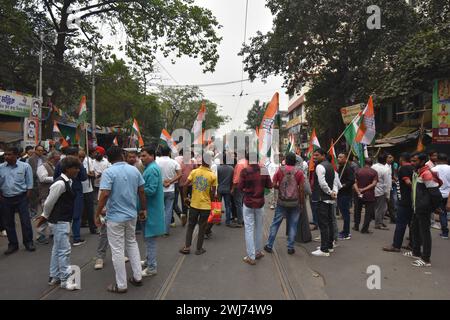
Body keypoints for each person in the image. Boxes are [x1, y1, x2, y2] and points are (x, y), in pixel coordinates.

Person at [95, 146, 146, 293]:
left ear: (109, 159)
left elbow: (104, 195)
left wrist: (97, 214)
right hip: (131, 215)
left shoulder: (108, 172)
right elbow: (141, 191)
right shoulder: (134, 170)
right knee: (132, 243)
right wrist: (143, 209)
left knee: (117, 250)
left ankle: (121, 285)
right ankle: (137, 277)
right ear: (123, 155)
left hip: (115, 217)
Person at [35, 156, 81, 291]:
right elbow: (49, 202)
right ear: (67, 169)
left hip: (62, 219)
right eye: (75, 168)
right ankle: (65, 280)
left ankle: (54, 275)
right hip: (59, 220)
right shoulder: (60, 184)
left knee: (57, 249)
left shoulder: (67, 181)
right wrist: (44, 216)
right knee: (64, 250)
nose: (77, 170)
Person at [406, 152, 443, 267]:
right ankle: (416, 252)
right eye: (411, 160)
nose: (412, 163)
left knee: (424, 233)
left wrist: (431, 208)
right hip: (417, 208)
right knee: (415, 229)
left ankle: (426, 259)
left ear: (422, 161)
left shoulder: (426, 174)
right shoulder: (417, 172)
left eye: (415, 161)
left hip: (423, 209)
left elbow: (436, 195)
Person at [264, 152, 304, 255]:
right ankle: (290, 247)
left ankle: (269, 245)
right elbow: (301, 190)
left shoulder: (280, 170)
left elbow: (273, 184)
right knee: (293, 224)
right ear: (295, 161)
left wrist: (280, 188)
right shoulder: (299, 172)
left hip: (282, 202)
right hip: (295, 202)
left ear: (285, 160)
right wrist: (301, 203)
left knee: (275, 223)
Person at [179, 151, 217, 255]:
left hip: (194, 205)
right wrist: (212, 204)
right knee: (202, 227)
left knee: (190, 226)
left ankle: (186, 247)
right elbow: (213, 193)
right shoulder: (212, 175)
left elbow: (185, 185)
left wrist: (185, 197)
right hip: (206, 206)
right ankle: (199, 249)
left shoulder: (194, 172)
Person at [239, 153, 273, 265]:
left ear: (248, 160)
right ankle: (258, 252)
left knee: (249, 229)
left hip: (248, 202)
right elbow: (269, 185)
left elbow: (240, 187)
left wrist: (247, 189)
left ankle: (251, 256)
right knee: (259, 227)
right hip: (260, 203)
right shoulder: (263, 170)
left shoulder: (244, 171)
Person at [0, 147, 35, 254]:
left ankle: (28, 242)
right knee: (8, 223)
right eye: (5, 154)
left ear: (16, 155)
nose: (6, 156)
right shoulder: (1, 167)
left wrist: (26, 198)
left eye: (9, 154)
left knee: (25, 221)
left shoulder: (25, 166)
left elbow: (29, 184)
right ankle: (13, 244)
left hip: (21, 198)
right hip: (5, 199)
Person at [140, 147, 165, 277]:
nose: (141, 158)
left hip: (151, 209)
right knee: (148, 238)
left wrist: (138, 189)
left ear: (152, 156)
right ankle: (149, 260)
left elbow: (150, 190)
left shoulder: (152, 169)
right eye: (141, 156)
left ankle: (151, 267)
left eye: (144, 156)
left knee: (150, 239)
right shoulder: (151, 168)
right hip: (150, 208)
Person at [54, 147, 87, 246]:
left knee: (64, 214)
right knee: (76, 215)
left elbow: (55, 177)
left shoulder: (60, 163)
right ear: (76, 154)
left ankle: (63, 237)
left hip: (63, 190)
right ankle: (76, 238)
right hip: (76, 191)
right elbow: (83, 177)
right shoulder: (78, 164)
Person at [311, 148, 340, 257]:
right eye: (314, 155)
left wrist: (329, 192)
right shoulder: (330, 166)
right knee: (329, 223)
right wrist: (333, 192)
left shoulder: (320, 166)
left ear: (323, 155)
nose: (314, 157)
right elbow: (335, 182)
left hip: (322, 198)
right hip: (328, 199)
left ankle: (324, 249)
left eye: (317, 155)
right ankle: (329, 246)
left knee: (323, 224)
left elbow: (322, 183)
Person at [383, 153, 415, 252]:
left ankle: (396, 245)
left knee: (401, 224)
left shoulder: (404, 168)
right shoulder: (413, 168)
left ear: (401, 159)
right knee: (411, 224)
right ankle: (412, 244)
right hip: (412, 200)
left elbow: (408, 182)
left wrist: (414, 188)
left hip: (405, 201)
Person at [36, 150, 61, 244]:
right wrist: (56, 178)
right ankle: (40, 235)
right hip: (45, 194)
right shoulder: (42, 167)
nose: (58, 161)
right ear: (51, 158)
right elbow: (42, 178)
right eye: (56, 159)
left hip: (53, 194)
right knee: (45, 214)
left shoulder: (55, 166)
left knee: (53, 214)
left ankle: (52, 232)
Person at [156, 146, 181, 234]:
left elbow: (154, 174)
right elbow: (179, 175)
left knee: (160, 210)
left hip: (159, 190)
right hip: (170, 190)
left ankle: (159, 229)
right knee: (168, 210)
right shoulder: (174, 162)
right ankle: (166, 231)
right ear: (169, 153)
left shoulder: (156, 162)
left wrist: (162, 182)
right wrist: (170, 182)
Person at [353, 158, 378, 234]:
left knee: (357, 210)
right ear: (372, 164)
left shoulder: (358, 171)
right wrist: (364, 189)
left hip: (358, 194)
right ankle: (364, 229)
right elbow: (374, 184)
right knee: (368, 212)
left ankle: (356, 226)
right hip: (369, 194)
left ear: (364, 163)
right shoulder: (374, 172)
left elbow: (354, 182)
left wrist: (358, 191)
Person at [431, 153, 450, 239]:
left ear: (437, 160)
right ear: (446, 160)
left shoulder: (433, 169)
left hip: (438, 194)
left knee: (442, 214)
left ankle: (445, 233)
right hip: (449, 194)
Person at [337, 152, 355, 240]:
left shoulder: (348, 168)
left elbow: (352, 180)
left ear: (345, 159)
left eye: (340, 157)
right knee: (343, 214)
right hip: (340, 193)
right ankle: (344, 230)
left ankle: (346, 233)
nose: (338, 158)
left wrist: (343, 185)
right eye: (338, 157)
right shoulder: (340, 168)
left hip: (345, 194)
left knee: (345, 214)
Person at [372, 153, 392, 230]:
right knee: (381, 208)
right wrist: (388, 195)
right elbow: (387, 183)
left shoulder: (373, 166)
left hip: (374, 188)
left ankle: (380, 221)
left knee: (379, 207)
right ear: (385, 160)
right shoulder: (385, 169)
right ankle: (378, 223)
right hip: (381, 191)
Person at [79, 150, 96, 234]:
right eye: (80, 157)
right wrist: (86, 174)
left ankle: (93, 228)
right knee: (78, 210)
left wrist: (89, 175)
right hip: (78, 190)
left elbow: (93, 174)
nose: (81, 158)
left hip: (88, 189)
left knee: (90, 210)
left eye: (83, 157)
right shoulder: (73, 162)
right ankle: (76, 231)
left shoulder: (88, 161)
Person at [176, 150, 196, 227]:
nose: (188, 156)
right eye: (186, 154)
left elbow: (196, 171)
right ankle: (185, 217)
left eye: (189, 154)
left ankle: (192, 218)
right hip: (182, 185)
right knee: (184, 201)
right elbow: (177, 173)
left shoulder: (193, 162)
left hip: (191, 185)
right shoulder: (180, 163)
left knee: (192, 201)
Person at [27, 145, 47, 217]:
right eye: (39, 150)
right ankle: (33, 211)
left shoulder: (45, 158)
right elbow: (30, 170)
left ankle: (44, 213)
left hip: (43, 180)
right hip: (34, 179)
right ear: (35, 151)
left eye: (42, 150)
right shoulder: (31, 159)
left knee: (43, 197)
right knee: (33, 198)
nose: (40, 152)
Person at [217, 153, 234, 227]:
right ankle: (228, 221)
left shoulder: (218, 168)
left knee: (218, 205)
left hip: (220, 189)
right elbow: (232, 180)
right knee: (228, 206)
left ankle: (217, 220)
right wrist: (232, 189)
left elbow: (216, 179)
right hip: (228, 189)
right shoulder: (231, 169)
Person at [231, 152, 248, 227]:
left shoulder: (240, 164)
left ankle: (240, 221)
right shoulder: (247, 163)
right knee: (244, 204)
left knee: (238, 204)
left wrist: (233, 188)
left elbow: (237, 178)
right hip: (247, 186)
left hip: (239, 187)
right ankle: (244, 219)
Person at [386, 154, 398, 223]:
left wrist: (395, 179)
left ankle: (393, 218)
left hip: (392, 186)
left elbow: (394, 175)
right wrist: (391, 180)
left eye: (392, 157)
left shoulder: (393, 165)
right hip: (386, 187)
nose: (391, 159)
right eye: (389, 157)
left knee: (393, 202)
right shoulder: (385, 166)